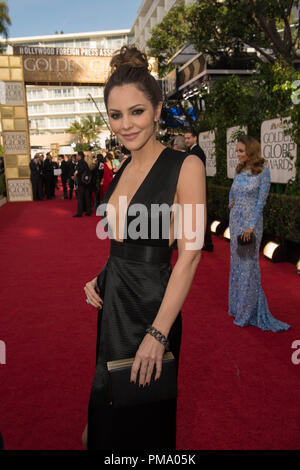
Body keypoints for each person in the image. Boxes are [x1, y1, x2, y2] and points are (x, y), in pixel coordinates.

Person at [82, 45, 206, 450]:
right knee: (108, 404)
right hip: (113, 307)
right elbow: (121, 246)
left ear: (156, 110)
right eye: (116, 115)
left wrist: (158, 332)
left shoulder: (185, 166)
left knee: (144, 420)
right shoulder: (119, 173)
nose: (126, 125)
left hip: (153, 309)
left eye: (136, 111)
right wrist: (99, 277)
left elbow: (188, 255)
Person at [228, 135, 290, 332]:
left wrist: (251, 226)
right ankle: (238, 308)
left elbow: (261, 202)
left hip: (250, 227)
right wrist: (230, 203)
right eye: (237, 150)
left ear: (251, 151)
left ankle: (247, 312)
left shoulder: (263, 172)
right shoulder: (239, 171)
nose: (237, 154)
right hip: (236, 223)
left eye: (241, 151)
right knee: (237, 266)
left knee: (248, 267)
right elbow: (233, 191)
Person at [184, 128, 214, 252]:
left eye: (188, 138)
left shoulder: (197, 152)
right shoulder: (193, 151)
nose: (186, 140)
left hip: (198, 189)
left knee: (201, 216)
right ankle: (207, 243)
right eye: (185, 138)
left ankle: (207, 243)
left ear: (195, 138)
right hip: (197, 188)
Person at [73, 151, 91, 217]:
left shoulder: (79, 163)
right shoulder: (85, 163)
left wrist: (74, 176)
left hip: (81, 183)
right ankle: (88, 211)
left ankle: (79, 213)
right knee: (87, 197)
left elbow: (76, 172)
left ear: (80, 156)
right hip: (87, 182)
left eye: (77, 155)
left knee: (80, 198)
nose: (76, 157)